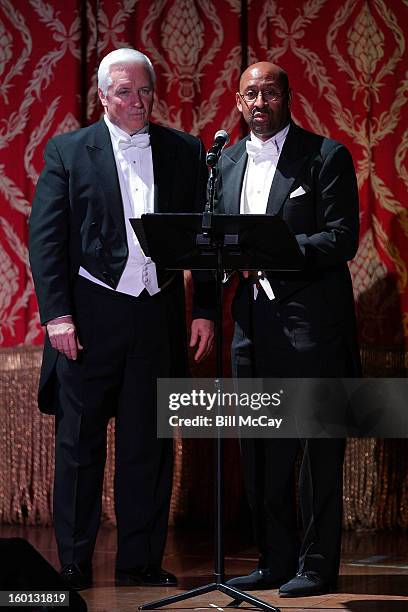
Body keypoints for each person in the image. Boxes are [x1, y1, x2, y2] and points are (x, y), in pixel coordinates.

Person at [29, 48, 214, 591]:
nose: (139, 102)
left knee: (148, 448)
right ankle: (73, 564)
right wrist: (58, 316)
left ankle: (139, 563)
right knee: (80, 446)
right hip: (89, 314)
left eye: (146, 92)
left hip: (156, 313)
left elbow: (199, 236)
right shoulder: (67, 151)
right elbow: (47, 241)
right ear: (104, 96)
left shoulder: (184, 150)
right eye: (127, 92)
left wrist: (202, 308)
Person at [217, 62, 361, 597]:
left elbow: (342, 238)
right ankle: (274, 559)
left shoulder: (325, 156)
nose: (260, 102)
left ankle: (318, 564)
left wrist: (272, 251)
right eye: (251, 94)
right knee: (261, 449)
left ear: (288, 98)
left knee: (318, 452)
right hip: (252, 326)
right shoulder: (226, 163)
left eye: (270, 93)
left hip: (313, 326)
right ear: (237, 101)